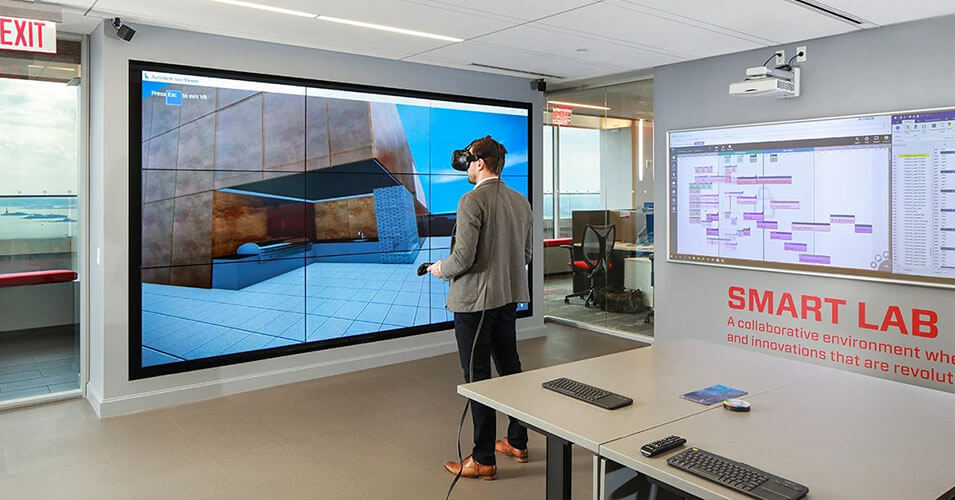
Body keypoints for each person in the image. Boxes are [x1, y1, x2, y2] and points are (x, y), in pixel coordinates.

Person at [427, 136, 533, 480]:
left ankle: (484, 459)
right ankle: (517, 441)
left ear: (480, 163)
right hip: (506, 301)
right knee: (511, 370)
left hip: (475, 305)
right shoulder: (521, 201)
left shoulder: (471, 201)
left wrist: (441, 268)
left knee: (478, 380)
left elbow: (463, 258)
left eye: (469, 161)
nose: (467, 167)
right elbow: (526, 255)